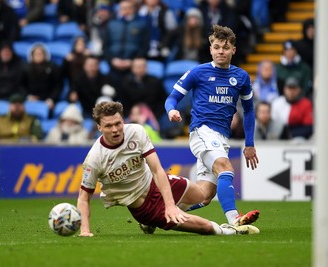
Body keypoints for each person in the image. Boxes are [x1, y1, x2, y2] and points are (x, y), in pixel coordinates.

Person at [76, 101, 259, 237]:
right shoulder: (94, 159)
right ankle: (232, 231)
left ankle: (171, 210)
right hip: (145, 207)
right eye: (109, 126)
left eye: (118, 123)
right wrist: (85, 230)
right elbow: (84, 198)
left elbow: (157, 170)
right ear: (99, 128)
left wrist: (170, 205)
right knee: (205, 228)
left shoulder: (136, 132)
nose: (115, 129)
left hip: (154, 183)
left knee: (202, 197)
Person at [164, 25, 260, 226]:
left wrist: (249, 143)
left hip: (222, 137)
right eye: (216, 47)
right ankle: (235, 220)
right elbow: (172, 98)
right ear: (210, 49)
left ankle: (160, 214)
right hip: (202, 131)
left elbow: (249, 110)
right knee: (225, 167)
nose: (220, 52)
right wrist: (172, 110)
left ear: (233, 49)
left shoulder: (241, 77)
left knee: (204, 196)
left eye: (225, 48)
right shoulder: (198, 72)